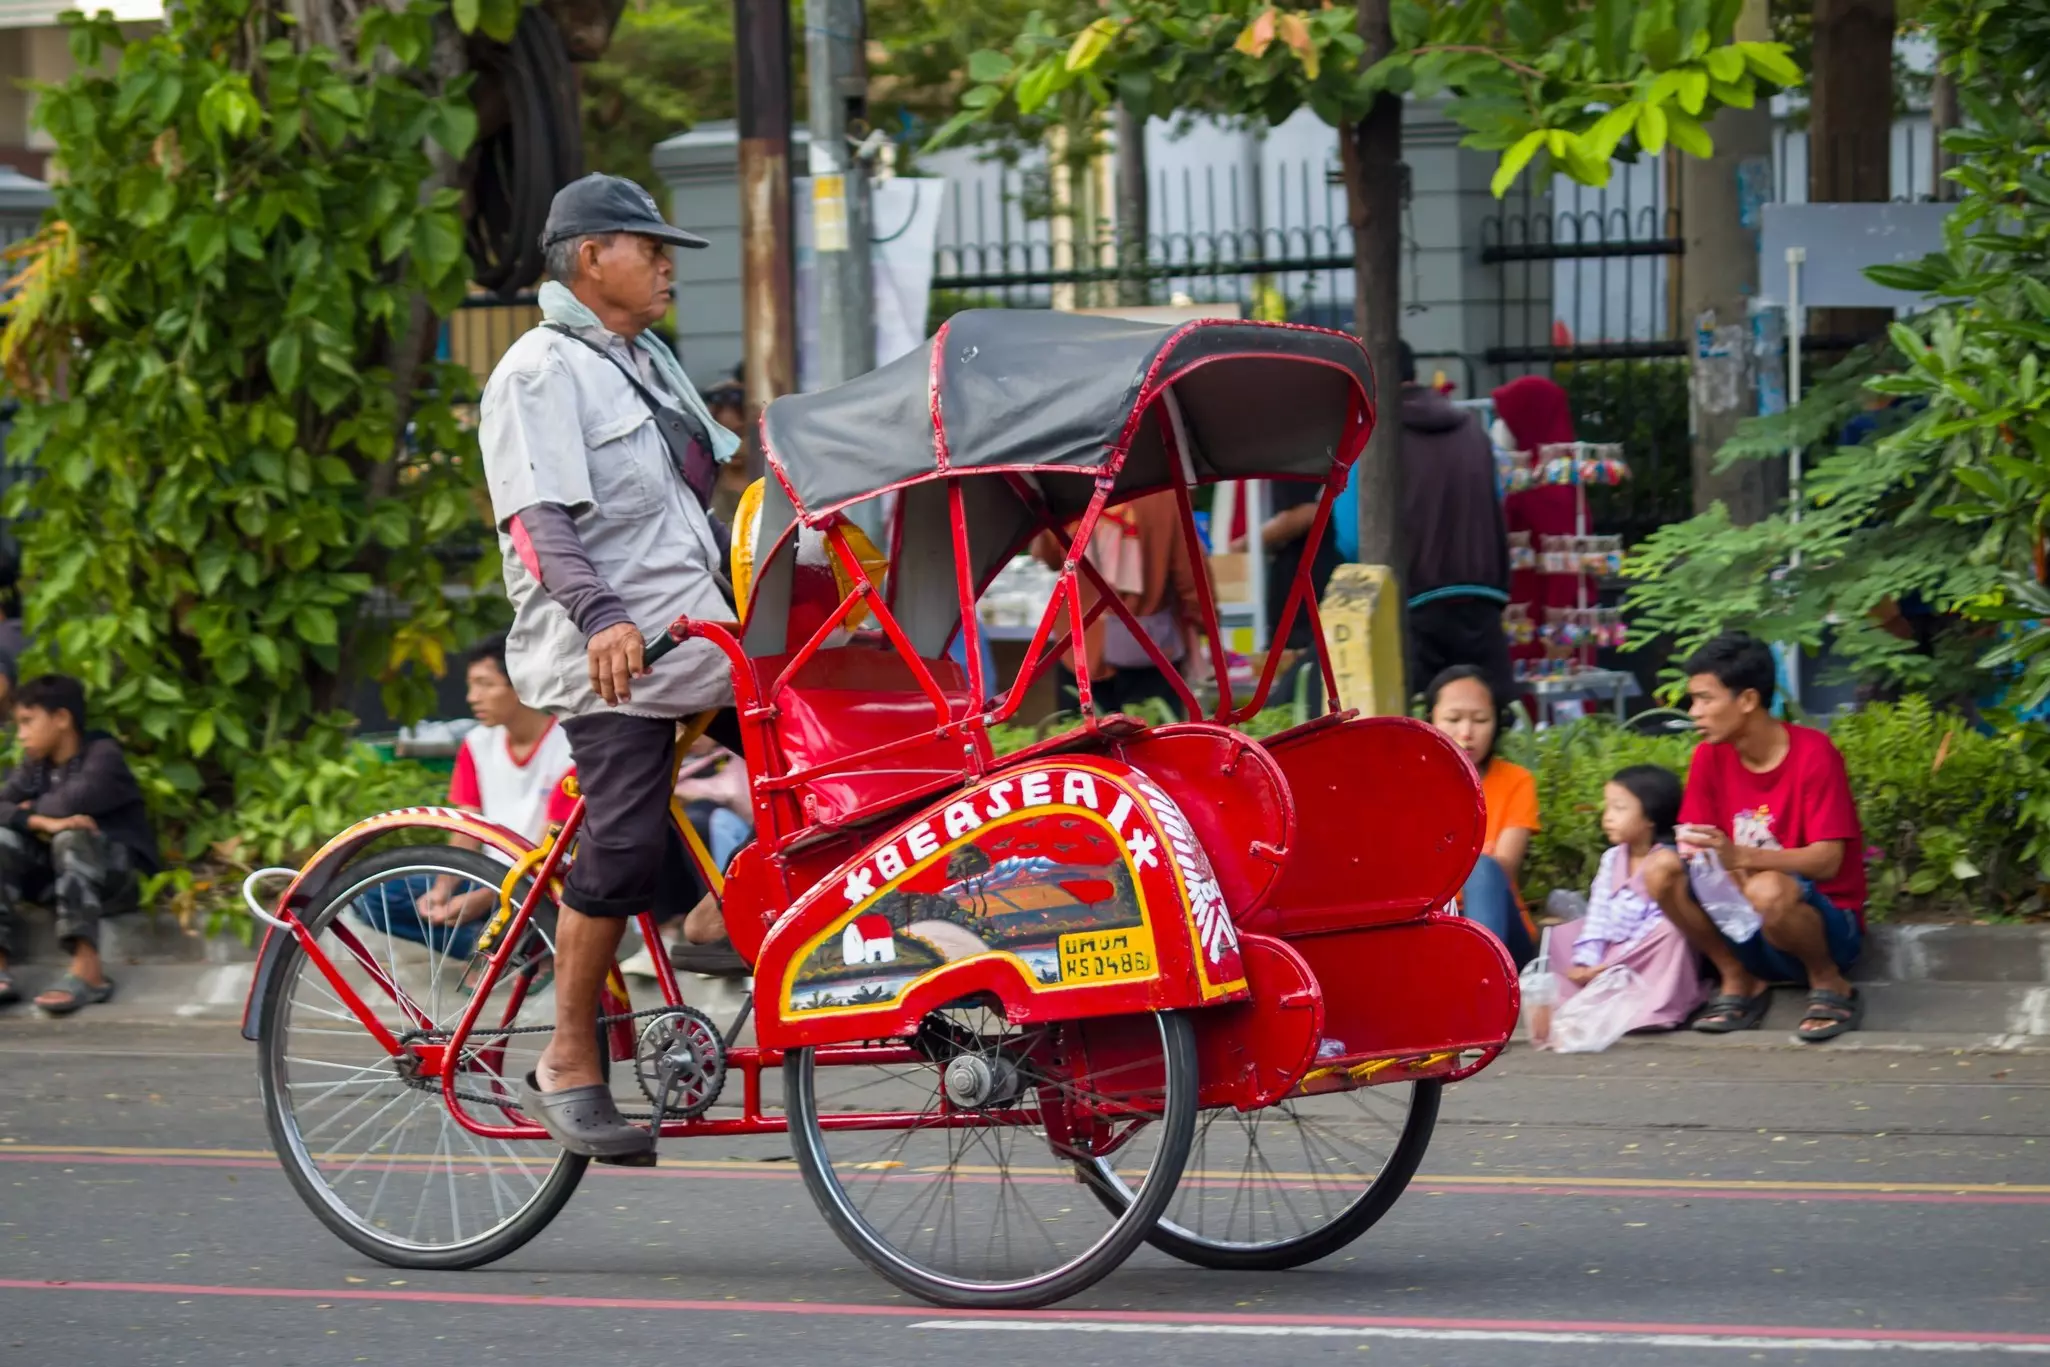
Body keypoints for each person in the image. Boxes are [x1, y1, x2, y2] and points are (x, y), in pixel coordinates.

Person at [480, 172, 741, 1162]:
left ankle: (724, 916)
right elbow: (537, 518)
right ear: (593, 257)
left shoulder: (642, 362)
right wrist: (601, 616)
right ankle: (566, 1051)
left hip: (696, 642)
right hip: (611, 658)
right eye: (650, 246)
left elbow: (688, 516)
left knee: (820, 770)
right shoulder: (540, 372)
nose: (669, 264)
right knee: (622, 846)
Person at [1639, 632, 1867, 1041]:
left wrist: (1742, 858)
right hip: (1744, 920)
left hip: (1823, 925)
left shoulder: (1814, 753)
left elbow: (1828, 860)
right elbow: (1699, 845)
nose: (1695, 712)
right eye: (1693, 700)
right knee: (1659, 868)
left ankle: (1828, 981)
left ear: (1746, 700)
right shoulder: (1709, 755)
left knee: (1769, 889)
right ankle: (1738, 977)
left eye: (1706, 699)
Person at [352, 636, 574, 959]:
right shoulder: (478, 743)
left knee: (543, 904)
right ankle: (492, 954)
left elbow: (549, 848)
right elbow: (466, 825)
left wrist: (484, 898)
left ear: (521, 685)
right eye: (471, 685)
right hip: (485, 873)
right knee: (372, 897)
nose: (473, 698)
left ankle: (514, 952)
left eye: (486, 684)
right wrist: (444, 889)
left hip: (542, 884)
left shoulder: (567, 748)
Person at [0, 675, 159, 1014]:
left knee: (73, 836)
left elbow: (72, 801)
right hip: (62, 882)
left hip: (118, 880)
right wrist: (38, 821)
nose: (21, 734)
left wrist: (33, 810)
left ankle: (89, 971)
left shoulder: (103, 755)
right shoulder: (34, 768)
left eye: (28, 722)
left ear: (61, 719)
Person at [1549, 764, 1710, 1031]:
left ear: (1650, 817)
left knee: (1672, 933)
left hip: (1646, 953)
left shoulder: (1668, 861)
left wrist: (1610, 965)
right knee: (1560, 937)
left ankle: (1654, 1008)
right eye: (1608, 807)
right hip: (1610, 949)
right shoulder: (1611, 858)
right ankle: (1592, 994)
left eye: (1619, 808)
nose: (1608, 817)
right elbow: (1597, 914)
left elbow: (1656, 921)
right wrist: (1587, 960)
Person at [1396, 341, 1514, 706]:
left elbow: (1354, 538)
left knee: (1419, 733)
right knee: (1487, 721)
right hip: (1482, 598)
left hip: (1414, 602)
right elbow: (1498, 496)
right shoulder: (1473, 430)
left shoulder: (1375, 436)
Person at [1035, 490, 1209, 718]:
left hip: (1082, 647)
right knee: (1153, 745)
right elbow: (1192, 578)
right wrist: (1204, 628)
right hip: (1148, 650)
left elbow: (1048, 556)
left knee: (1081, 746)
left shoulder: (1071, 490)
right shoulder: (1162, 493)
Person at [1425, 665, 1538, 966]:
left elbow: (1505, 868)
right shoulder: (1413, 784)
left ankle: (1481, 978)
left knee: (1485, 868)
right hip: (1429, 926)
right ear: (1430, 720)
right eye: (1453, 719)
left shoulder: (1517, 780)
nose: (1466, 732)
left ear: (1497, 722)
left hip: (1500, 926)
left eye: (1480, 720)